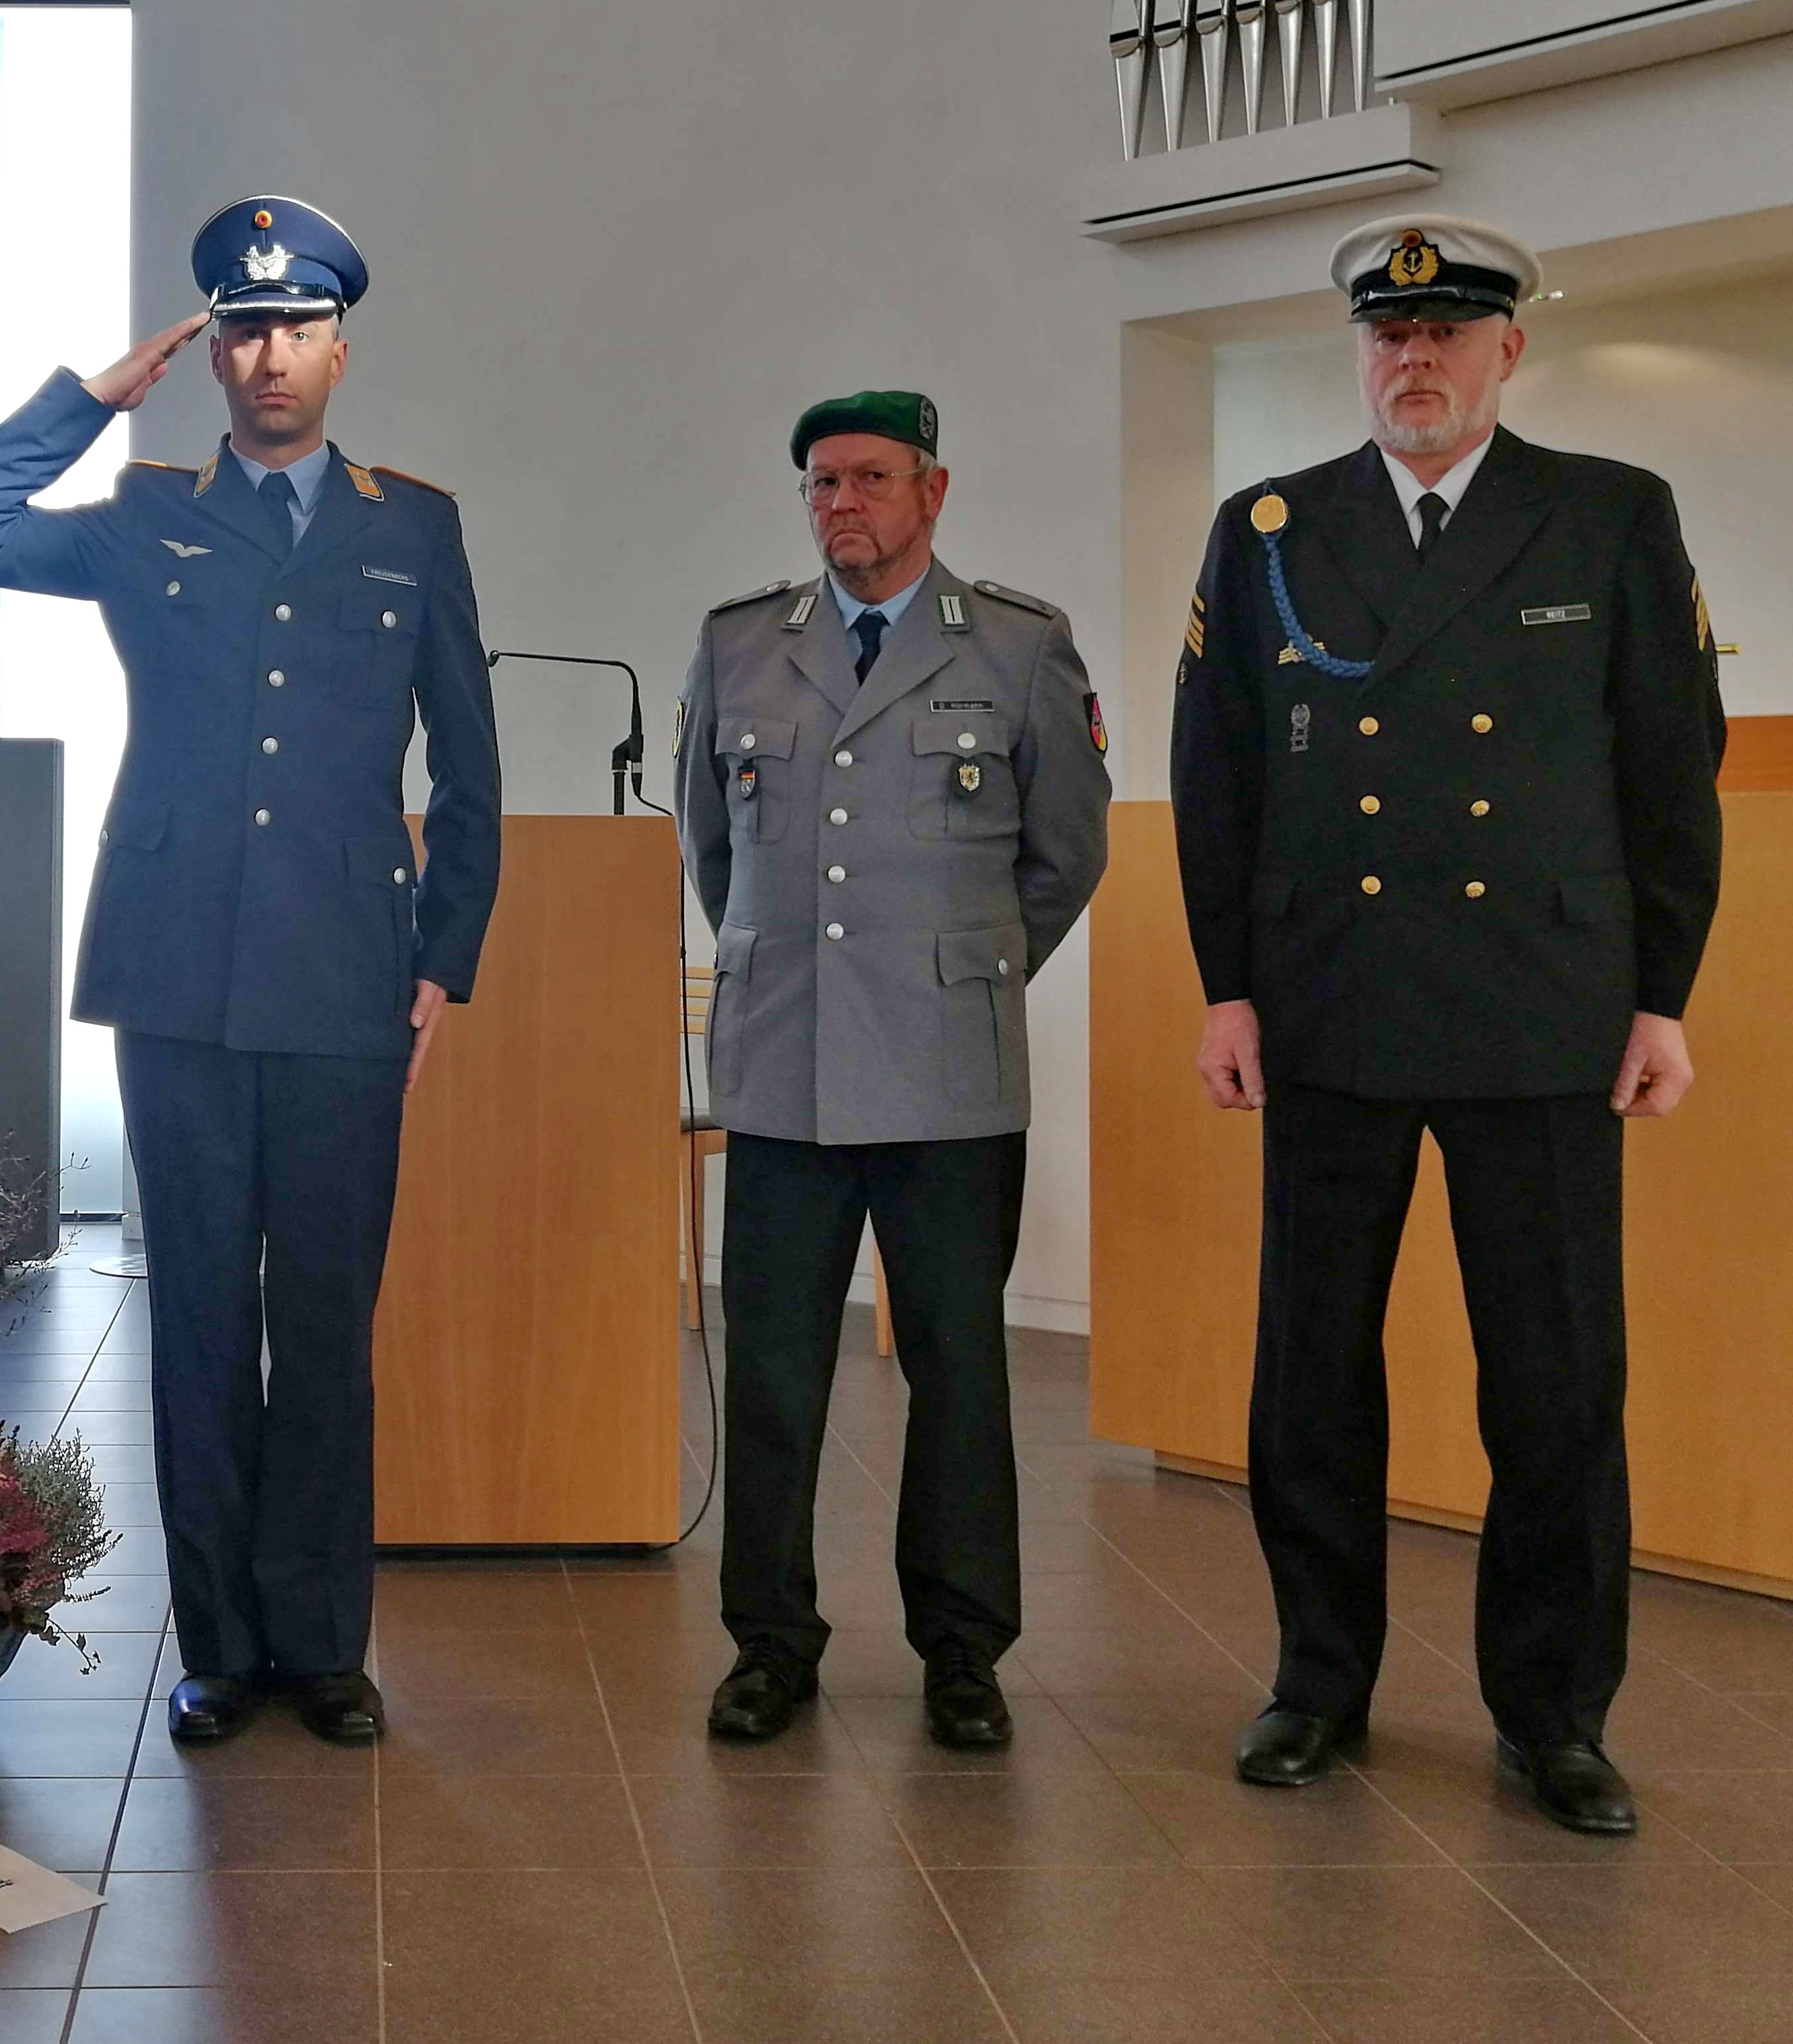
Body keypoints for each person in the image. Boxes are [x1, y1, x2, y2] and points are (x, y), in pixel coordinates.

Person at [0, 196, 501, 1746]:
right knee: (193, 1328)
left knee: (323, 1320)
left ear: (340, 351)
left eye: (297, 329)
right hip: (174, 975)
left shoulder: (411, 524)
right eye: (242, 333)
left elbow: (472, 759)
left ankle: (322, 1642)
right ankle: (225, 1644)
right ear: (213, 354)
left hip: (347, 982)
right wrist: (86, 403)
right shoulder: (144, 513)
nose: (269, 358)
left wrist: (447, 952)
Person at [1171, 216, 1726, 1835]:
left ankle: (1556, 1714)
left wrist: (1662, 997)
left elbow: (1666, 775)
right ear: (1363, 353)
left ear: (1508, 351)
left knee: (1554, 1383)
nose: (1415, 359)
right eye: (1389, 335)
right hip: (1330, 998)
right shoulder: (1268, 524)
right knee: (1312, 1372)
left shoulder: (1611, 516)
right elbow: (1222, 776)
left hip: (1541, 1009)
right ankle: (1318, 1682)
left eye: (1449, 332)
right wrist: (1226, 982)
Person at [678, 391, 1111, 1752]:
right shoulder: (740, 645)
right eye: (817, 484)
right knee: (775, 1372)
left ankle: (963, 1649)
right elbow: (712, 849)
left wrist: (957, 972)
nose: (838, 505)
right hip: (785, 1070)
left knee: (959, 1368)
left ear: (933, 491)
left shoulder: (1022, 648)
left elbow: (1064, 856)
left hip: (946, 1075)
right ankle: (769, 1642)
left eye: (867, 478)